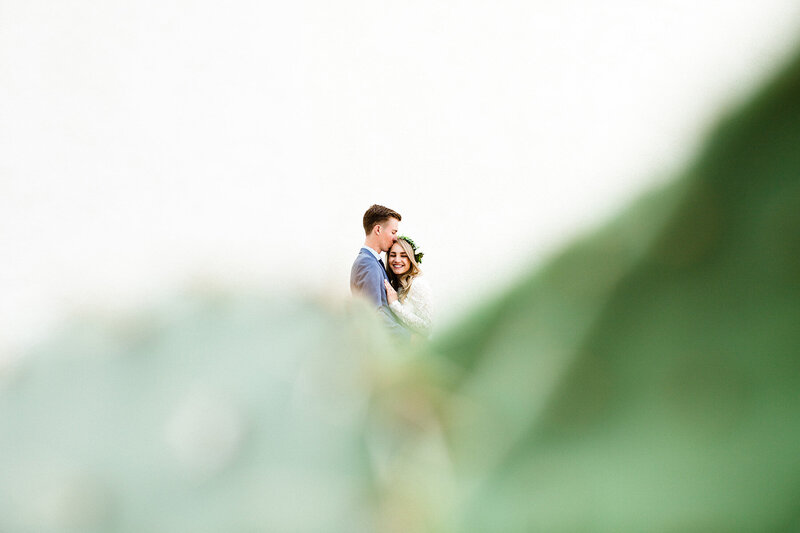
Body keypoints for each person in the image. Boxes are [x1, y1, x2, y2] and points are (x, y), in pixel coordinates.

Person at [350, 204, 410, 337]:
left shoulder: (372, 261)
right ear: (378, 229)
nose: (395, 238)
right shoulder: (367, 263)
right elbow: (374, 315)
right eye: (393, 232)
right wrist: (408, 337)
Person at [384, 236, 432, 338]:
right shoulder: (395, 285)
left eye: (403, 255)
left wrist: (395, 305)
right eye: (393, 255)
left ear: (411, 259)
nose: (397, 260)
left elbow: (427, 327)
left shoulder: (418, 284)